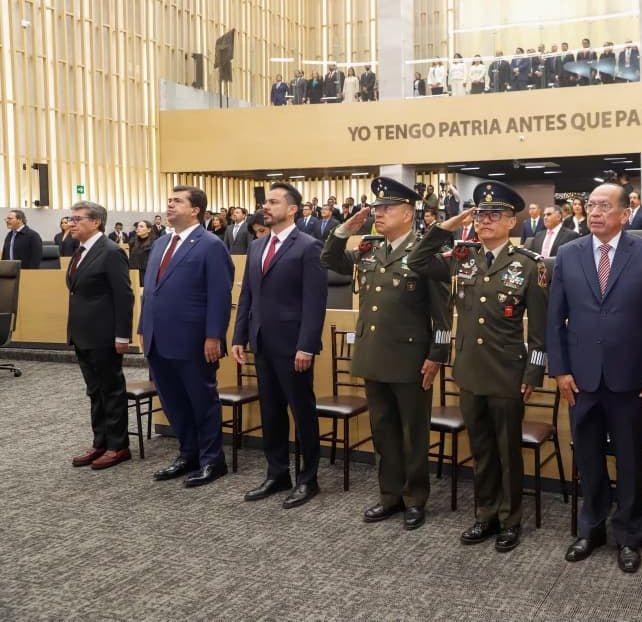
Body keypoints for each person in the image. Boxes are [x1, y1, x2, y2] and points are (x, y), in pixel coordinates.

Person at [409, 181, 548, 553]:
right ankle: (485, 515)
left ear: (511, 222)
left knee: (507, 451)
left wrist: (533, 373)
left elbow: (540, 331)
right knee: (481, 448)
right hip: (469, 370)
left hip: (507, 373)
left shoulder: (528, 265)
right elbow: (417, 261)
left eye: (494, 215)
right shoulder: (463, 256)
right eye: (481, 214)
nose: (485, 221)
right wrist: (448, 226)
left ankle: (510, 520)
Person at [548, 182, 642, 574]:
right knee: (588, 458)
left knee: (631, 460)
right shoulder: (568, 254)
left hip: (631, 378)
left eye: (604, 206)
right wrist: (560, 370)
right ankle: (592, 529)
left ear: (624, 213)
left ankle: (630, 536)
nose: (595, 212)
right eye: (591, 205)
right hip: (581, 378)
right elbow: (555, 319)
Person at [321, 177, 452, 529]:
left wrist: (437, 355)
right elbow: (330, 259)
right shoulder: (370, 248)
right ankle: (389, 495)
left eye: (386, 208)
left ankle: (415, 498)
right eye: (377, 208)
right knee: (383, 430)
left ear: (407, 213)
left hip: (411, 358)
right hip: (373, 354)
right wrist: (343, 230)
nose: (378, 213)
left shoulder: (425, 252)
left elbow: (442, 312)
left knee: (413, 432)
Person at [232, 182, 327, 509]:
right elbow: (247, 295)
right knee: (271, 412)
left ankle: (308, 478)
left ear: (292, 209)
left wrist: (307, 346)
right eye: (266, 202)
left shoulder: (309, 246)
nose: (266, 206)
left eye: (274, 202)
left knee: (302, 413)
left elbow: (315, 302)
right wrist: (239, 336)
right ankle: (277, 473)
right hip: (261, 341)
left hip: (293, 345)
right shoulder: (258, 245)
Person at [139, 185, 234, 487]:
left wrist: (214, 336)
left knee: (202, 401)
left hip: (194, 339)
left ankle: (212, 460)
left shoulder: (211, 245)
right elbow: (150, 292)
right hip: (158, 338)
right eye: (169, 200)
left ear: (195, 210)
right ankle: (188, 454)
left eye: (177, 201)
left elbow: (220, 295)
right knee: (173, 402)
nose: (169, 205)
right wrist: (143, 328)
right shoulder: (161, 244)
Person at [66, 201, 134, 471]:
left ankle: (118, 446)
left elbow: (124, 296)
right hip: (83, 334)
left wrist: (122, 336)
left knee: (111, 390)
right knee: (95, 391)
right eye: (70, 218)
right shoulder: (80, 250)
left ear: (96, 222)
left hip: (105, 334)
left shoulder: (111, 251)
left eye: (77, 219)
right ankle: (100, 442)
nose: (71, 223)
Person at [128, 220, 154, 285]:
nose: (138, 228)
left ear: (149, 230)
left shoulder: (155, 242)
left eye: (141, 226)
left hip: (147, 273)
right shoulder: (132, 242)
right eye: (137, 227)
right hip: (134, 272)